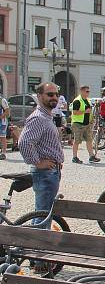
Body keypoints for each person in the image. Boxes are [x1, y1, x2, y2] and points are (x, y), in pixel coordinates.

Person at [18, 82, 64, 220]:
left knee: (43, 214)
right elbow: (24, 142)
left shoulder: (46, 116)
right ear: (39, 96)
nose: (54, 97)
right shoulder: (38, 117)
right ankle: (38, 241)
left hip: (51, 172)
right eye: (50, 94)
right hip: (45, 174)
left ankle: (38, 240)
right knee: (42, 216)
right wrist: (38, 163)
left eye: (56, 94)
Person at [70, 85, 99, 164]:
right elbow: (75, 112)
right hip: (78, 124)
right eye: (87, 91)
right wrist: (84, 112)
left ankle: (91, 156)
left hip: (86, 124)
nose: (88, 93)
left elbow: (90, 111)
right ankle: (74, 157)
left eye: (89, 91)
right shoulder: (77, 101)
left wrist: (91, 120)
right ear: (82, 91)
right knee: (77, 141)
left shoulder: (87, 100)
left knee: (89, 140)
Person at [0, 94, 9, 160]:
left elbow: (7, 111)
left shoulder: (2, 100)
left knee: (2, 137)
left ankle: (3, 153)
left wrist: (0, 117)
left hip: (2, 122)